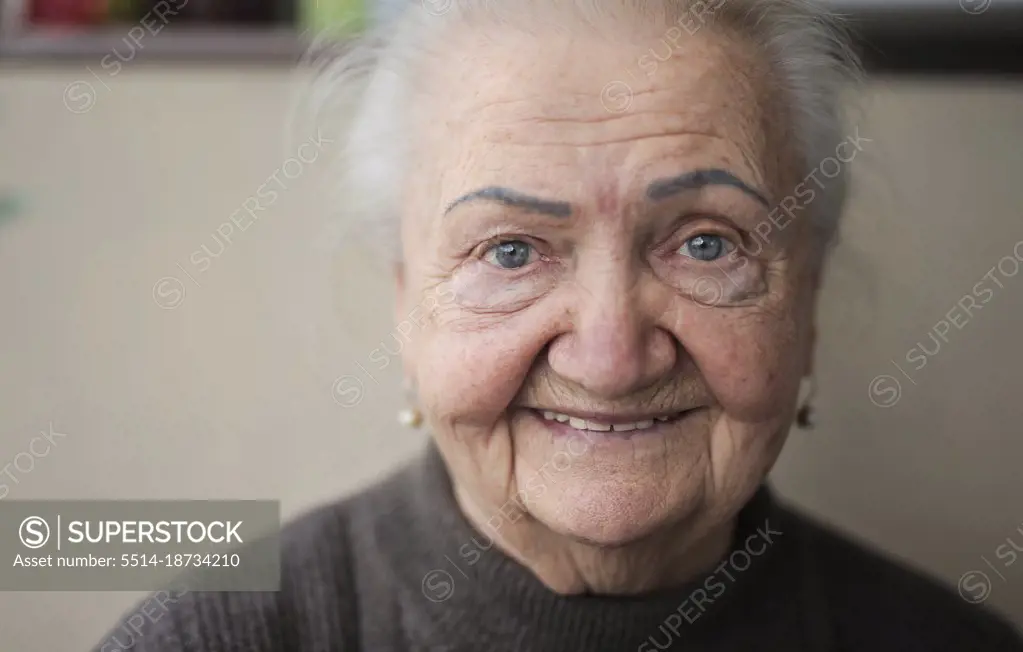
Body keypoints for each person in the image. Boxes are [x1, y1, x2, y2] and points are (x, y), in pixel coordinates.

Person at [94, 0, 1023, 649]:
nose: (611, 358)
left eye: (704, 245)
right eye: (509, 251)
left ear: (805, 303)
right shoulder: (208, 638)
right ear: (405, 304)